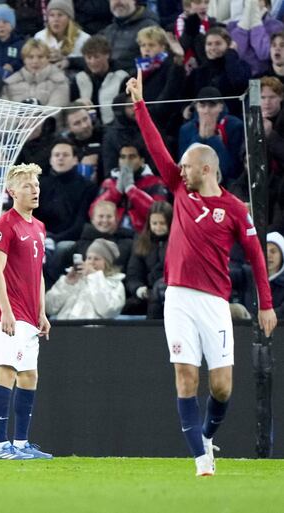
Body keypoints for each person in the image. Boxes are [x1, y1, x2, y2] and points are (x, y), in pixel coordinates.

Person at [127, 69, 276, 476]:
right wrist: (139, 104)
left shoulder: (234, 209)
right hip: (177, 297)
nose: (180, 169)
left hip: (214, 303)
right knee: (186, 376)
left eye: (187, 165)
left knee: (222, 386)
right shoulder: (179, 190)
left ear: (206, 169)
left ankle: (207, 435)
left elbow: (256, 256)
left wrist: (265, 305)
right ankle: (200, 459)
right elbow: (155, 147)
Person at [0, 163, 52, 460]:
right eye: (27, 186)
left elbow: (38, 273)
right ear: (12, 192)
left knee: (28, 376)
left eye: (36, 185)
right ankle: (1, 446)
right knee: (6, 371)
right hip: (7, 313)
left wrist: (42, 311)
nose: (35, 190)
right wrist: (6, 311)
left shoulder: (38, 227)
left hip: (29, 314)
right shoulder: (5, 224)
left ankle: (22, 443)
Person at [45, 238, 126, 320]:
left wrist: (95, 276)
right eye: (89, 258)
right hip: (64, 326)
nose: (91, 262)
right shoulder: (74, 278)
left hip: (94, 327)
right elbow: (49, 308)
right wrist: (67, 283)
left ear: (107, 263)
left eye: (96, 259)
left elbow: (108, 311)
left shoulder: (115, 284)